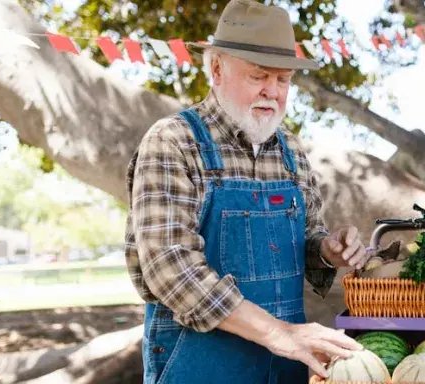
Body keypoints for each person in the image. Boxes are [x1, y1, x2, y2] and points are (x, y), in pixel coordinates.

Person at [122, 1, 371, 382]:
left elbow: (307, 237)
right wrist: (278, 333)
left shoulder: (290, 149)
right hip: (200, 368)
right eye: (259, 76)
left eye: (283, 80)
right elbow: (170, 268)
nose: (272, 91)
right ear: (217, 69)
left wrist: (325, 250)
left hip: (283, 369)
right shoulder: (173, 141)